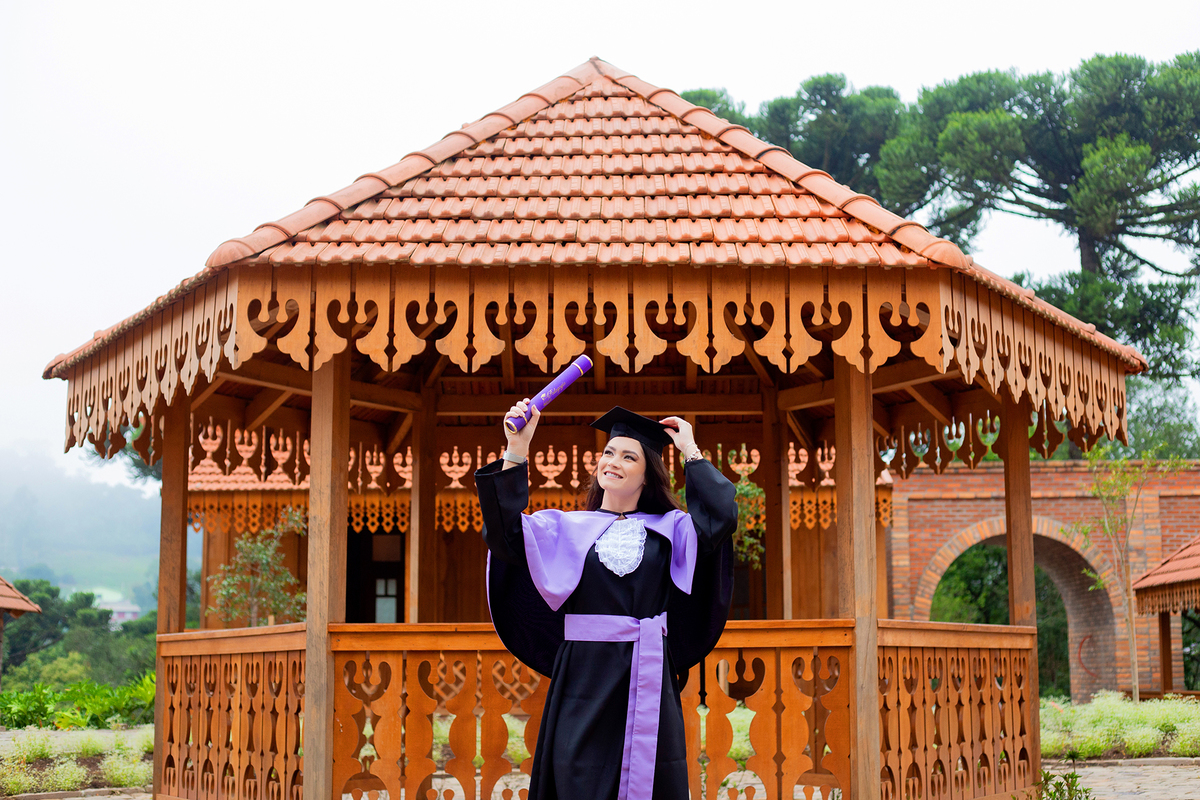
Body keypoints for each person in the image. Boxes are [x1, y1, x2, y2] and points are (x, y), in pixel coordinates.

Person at [475, 402, 738, 800]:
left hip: (647, 671)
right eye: (609, 453)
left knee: (650, 779)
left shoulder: (672, 530)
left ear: (647, 476)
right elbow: (505, 534)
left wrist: (690, 450)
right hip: (583, 675)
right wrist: (516, 449)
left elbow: (721, 517)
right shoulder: (562, 528)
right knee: (576, 773)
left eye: (629, 456)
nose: (613, 462)